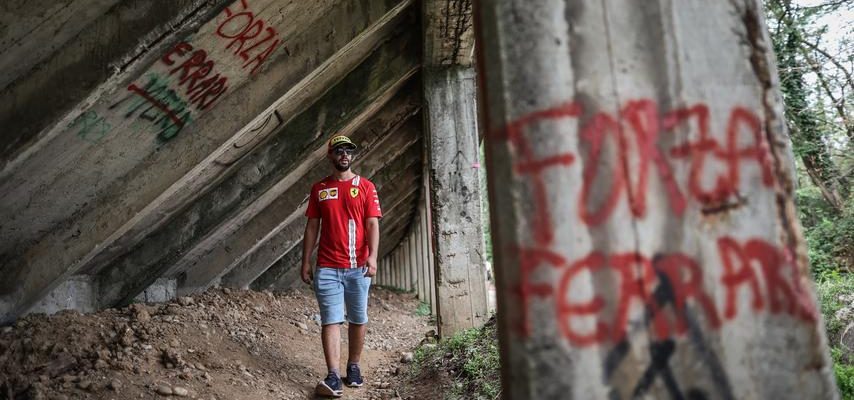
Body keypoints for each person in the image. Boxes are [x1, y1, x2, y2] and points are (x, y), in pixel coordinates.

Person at [301, 135, 382, 398]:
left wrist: (373, 257)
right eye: (338, 151)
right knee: (331, 319)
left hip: (358, 266)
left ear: (353, 156)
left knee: (358, 318)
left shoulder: (366, 187)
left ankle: (354, 366)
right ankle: (333, 376)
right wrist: (305, 261)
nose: (344, 154)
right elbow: (312, 226)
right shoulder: (319, 189)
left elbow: (372, 224)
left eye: (348, 150)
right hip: (327, 266)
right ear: (330, 156)